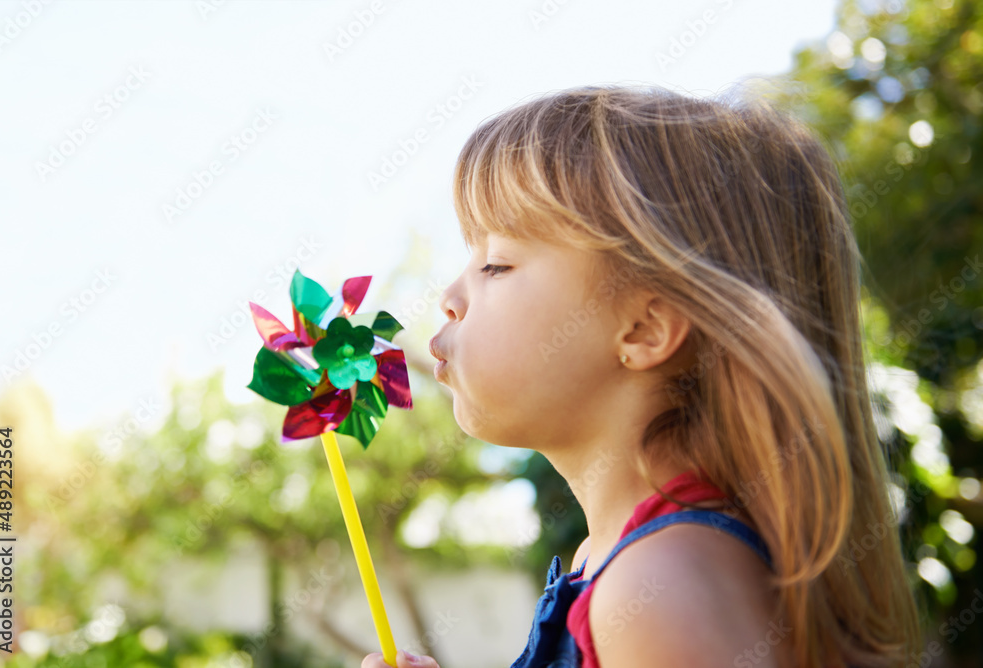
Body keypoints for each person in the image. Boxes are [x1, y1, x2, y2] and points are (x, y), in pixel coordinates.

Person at [362, 84, 922, 668]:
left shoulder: (659, 584)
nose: (450, 298)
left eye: (497, 264)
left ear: (645, 329)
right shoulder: (609, 562)